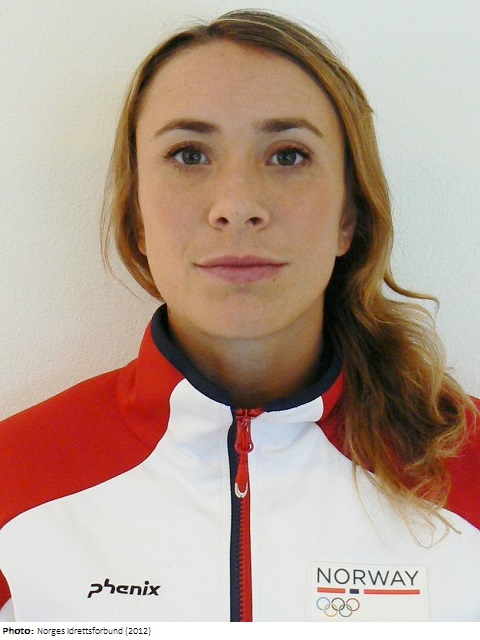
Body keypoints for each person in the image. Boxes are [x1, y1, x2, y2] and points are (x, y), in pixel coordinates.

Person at [0, 9, 478, 623]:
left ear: (348, 217)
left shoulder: (469, 472)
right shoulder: (14, 482)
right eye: (189, 154)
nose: (237, 205)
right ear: (137, 216)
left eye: (288, 156)